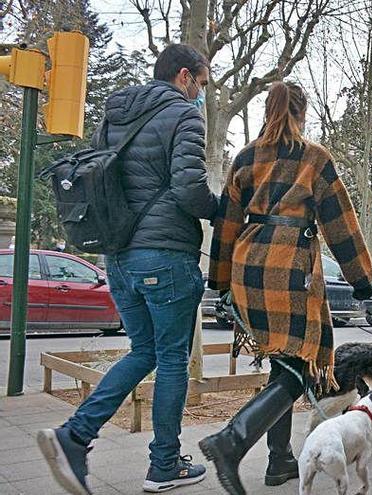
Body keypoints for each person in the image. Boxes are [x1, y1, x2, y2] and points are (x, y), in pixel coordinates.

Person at [37, 43, 218, 495]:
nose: (202, 92)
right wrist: (222, 209)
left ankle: (75, 435)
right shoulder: (185, 116)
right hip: (165, 254)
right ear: (184, 76)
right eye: (202, 82)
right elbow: (188, 189)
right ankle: (164, 464)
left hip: (116, 255)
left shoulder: (114, 114)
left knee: (143, 351)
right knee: (172, 358)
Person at [198, 81, 372, 495]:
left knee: (283, 362)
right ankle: (232, 441)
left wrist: (219, 282)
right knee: (299, 367)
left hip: (246, 271)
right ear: (301, 112)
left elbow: (225, 225)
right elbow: (340, 224)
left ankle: (280, 462)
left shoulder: (245, 157)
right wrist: (361, 278)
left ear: (268, 111)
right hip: (290, 270)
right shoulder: (314, 158)